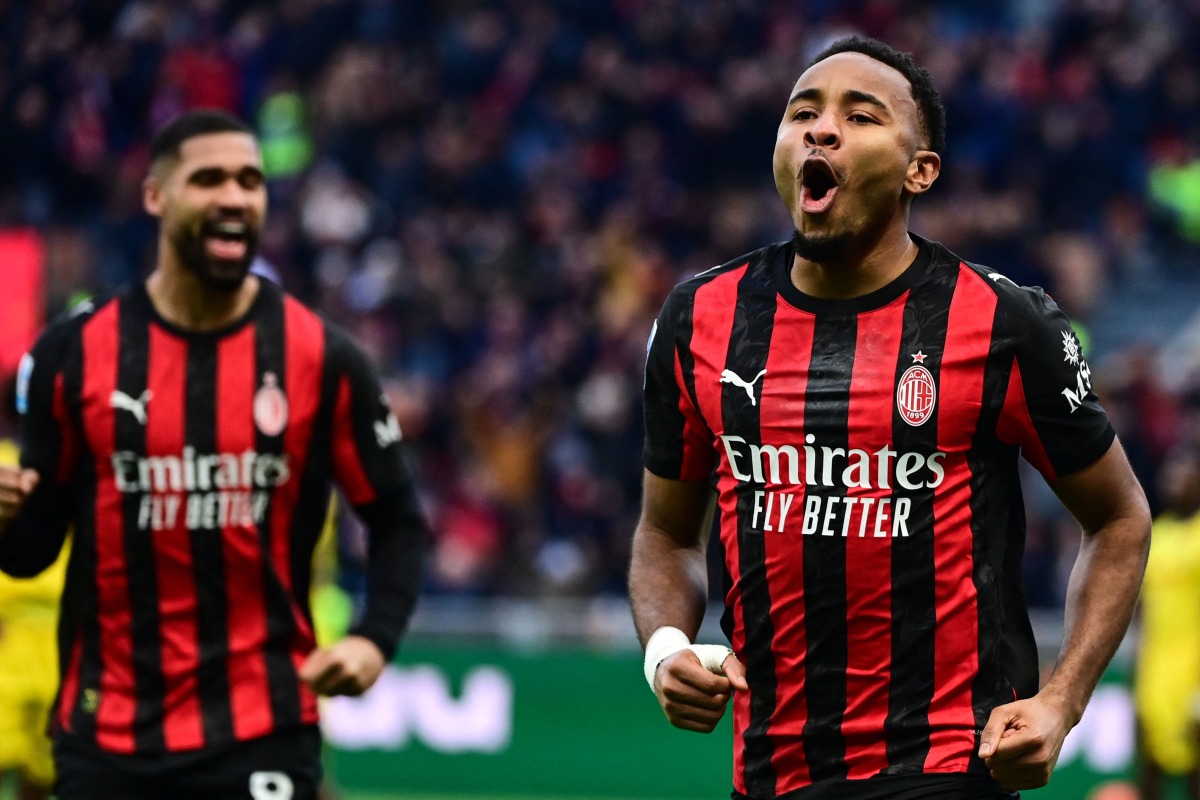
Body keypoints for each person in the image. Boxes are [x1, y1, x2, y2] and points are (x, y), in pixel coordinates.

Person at [629, 36, 1151, 800]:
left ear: (920, 170)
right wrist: (665, 648)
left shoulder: (1004, 322)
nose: (822, 128)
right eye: (803, 112)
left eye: (860, 116)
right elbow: (666, 533)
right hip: (771, 771)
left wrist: (1063, 700)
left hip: (947, 765)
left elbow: (1119, 517)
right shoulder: (697, 318)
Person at [0, 109, 426, 800]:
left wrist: (374, 639)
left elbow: (398, 519)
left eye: (250, 181)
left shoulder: (323, 358)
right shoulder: (72, 358)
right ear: (155, 196)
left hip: (263, 727)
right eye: (209, 179)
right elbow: (32, 551)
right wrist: (5, 521)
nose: (234, 197)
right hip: (107, 735)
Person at [0, 377, 65, 800]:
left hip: (56, 636)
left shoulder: (66, 465)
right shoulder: (5, 464)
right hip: (10, 633)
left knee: (44, 769)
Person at [1134, 444, 1200, 800]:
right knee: (1149, 763)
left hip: (1193, 667)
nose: (1172, 482)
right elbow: (1143, 611)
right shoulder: (1155, 534)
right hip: (1156, 669)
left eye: (1181, 475)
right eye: (1169, 476)